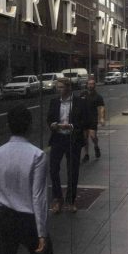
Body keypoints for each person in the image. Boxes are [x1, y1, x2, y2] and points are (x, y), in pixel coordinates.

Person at [0, 105, 61, 254]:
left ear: (9, 126)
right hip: (28, 220)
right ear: (29, 125)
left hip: (3, 216)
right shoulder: (37, 155)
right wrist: (42, 232)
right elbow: (38, 197)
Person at [47, 78, 87, 214]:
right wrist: (53, 125)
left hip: (72, 139)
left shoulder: (79, 102)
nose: (59, 90)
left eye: (61, 87)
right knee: (53, 169)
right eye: (58, 87)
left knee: (72, 171)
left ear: (69, 88)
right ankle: (57, 199)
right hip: (58, 138)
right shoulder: (54, 102)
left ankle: (70, 200)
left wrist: (71, 126)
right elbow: (49, 119)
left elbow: (84, 121)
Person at [81, 79, 105, 162]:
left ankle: (96, 146)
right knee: (85, 138)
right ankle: (86, 154)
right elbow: (78, 105)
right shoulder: (83, 94)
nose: (90, 85)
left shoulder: (98, 96)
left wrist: (102, 118)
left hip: (93, 119)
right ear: (87, 85)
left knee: (92, 136)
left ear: (95, 85)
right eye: (89, 84)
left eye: (92, 84)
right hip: (83, 119)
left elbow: (102, 107)